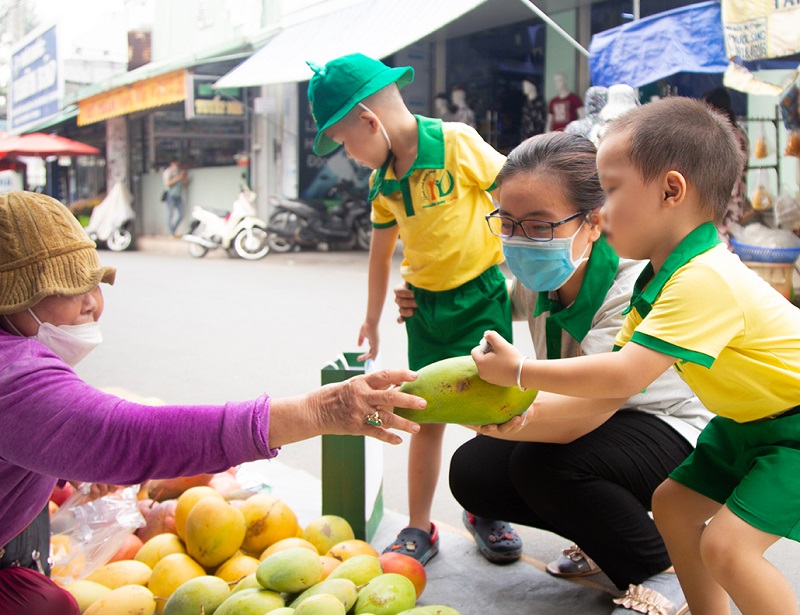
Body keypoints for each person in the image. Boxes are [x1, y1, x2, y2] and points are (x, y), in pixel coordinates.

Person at [0, 190, 427, 615]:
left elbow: (51, 430)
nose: (94, 302)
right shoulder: (12, 372)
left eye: (95, 283)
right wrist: (318, 411)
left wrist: (60, 468)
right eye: (71, 287)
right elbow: (125, 436)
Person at [472, 97, 800, 615]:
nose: (598, 210)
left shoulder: (704, 279)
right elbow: (612, 375)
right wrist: (517, 411)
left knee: (728, 548)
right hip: (744, 423)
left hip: (792, 430)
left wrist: (517, 371)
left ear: (671, 190)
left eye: (610, 189)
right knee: (673, 507)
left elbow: (623, 372)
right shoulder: (660, 278)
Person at [396, 132, 712, 612]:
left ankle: (662, 569)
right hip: (609, 427)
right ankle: (604, 539)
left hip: (676, 431)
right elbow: (487, 302)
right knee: (474, 472)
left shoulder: (629, 290)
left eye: (540, 226)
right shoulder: (544, 281)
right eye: (507, 222)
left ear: (593, 222)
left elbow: (579, 417)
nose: (520, 241)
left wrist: (487, 410)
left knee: (544, 465)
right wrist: (429, 300)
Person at [306, 53, 514, 565]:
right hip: (423, 311)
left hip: (481, 297)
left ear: (370, 122)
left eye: (345, 143)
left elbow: (518, 195)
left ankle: (486, 510)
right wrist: (373, 318)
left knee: (493, 411)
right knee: (424, 414)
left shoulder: (456, 144)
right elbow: (380, 257)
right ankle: (420, 527)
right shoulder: (383, 184)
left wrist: (525, 268)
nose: (350, 156)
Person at [701, 87, 752, 246]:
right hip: (734, 200)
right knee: (724, 239)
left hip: (725, 200)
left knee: (720, 243)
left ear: (714, 107)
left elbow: (727, 174)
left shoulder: (724, 135)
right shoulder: (739, 132)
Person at [162, 158, 188, 237]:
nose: (177, 165)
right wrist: (179, 177)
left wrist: (184, 177)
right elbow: (168, 183)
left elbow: (184, 185)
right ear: (172, 163)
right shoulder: (168, 172)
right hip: (170, 195)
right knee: (170, 214)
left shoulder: (179, 172)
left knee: (182, 214)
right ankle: (171, 233)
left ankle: (173, 231)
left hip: (178, 195)